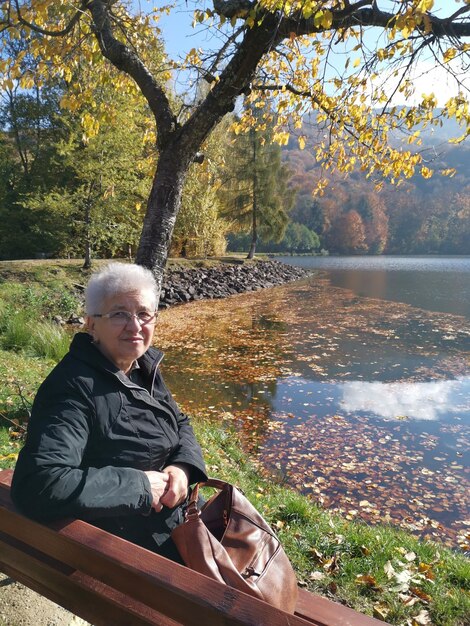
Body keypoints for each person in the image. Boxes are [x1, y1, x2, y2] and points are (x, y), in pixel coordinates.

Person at [11, 262, 207, 562]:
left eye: (144, 314)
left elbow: (179, 421)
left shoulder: (141, 367)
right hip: (130, 543)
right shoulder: (72, 389)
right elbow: (40, 483)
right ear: (91, 324)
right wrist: (140, 486)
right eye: (119, 314)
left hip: (175, 518)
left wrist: (183, 467)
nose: (135, 325)